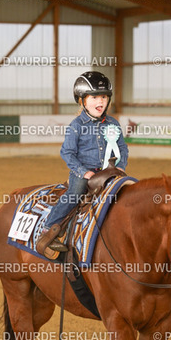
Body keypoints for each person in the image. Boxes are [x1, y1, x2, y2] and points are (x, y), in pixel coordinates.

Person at [36, 71, 128, 255]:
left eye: (104, 97)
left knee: (127, 191)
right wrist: (84, 172)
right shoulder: (76, 126)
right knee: (75, 194)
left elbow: (122, 148)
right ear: (82, 101)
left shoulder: (113, 124)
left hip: (109, 171)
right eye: (94, 97)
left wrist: (120, 166)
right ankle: (49, 229)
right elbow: (67, 152)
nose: (100, 101)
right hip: (83, 173)